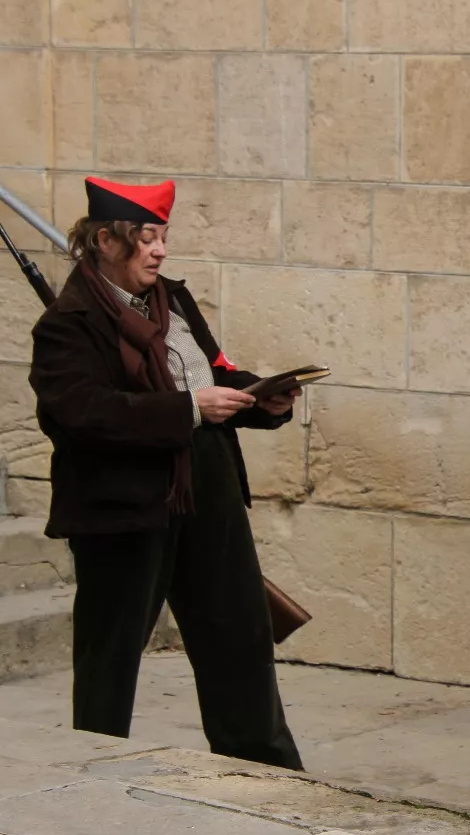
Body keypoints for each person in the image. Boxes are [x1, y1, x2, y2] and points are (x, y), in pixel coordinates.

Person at [29, 176, 303, 770]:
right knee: (112, 651)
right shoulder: (67, 323)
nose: (159, 250)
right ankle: (94, 770)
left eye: (162, 237)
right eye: (146, 238)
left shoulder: (173, 299)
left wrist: (261, 398)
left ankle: (265, 769)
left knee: (239, 634)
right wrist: (187, 410)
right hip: (123, 503)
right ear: (106, 240)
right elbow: (80, 414)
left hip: (207, 485)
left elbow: (212, 377)